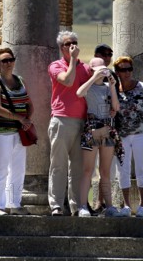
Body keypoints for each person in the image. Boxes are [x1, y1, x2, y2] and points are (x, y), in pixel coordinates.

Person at [47, 31, 91, 216]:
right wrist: (72, 61)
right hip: (61, 119)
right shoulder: (55, 66)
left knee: (78, 167)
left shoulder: (86, 68)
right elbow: (68, 80)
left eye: (75, 42)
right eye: (68, 44)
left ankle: (77, 206)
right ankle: (56, 204)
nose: (72, 46)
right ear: (61, 48)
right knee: (58, 165)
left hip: (82, 121)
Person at [0, 48, 34, 215]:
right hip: (1, 130)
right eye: (4, 61)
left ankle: (14, 202)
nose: (8, 63)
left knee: (18, 168)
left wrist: (27, 119)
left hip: (19, 131)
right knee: (1, 168)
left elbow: (29, 104)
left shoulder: (20, 81)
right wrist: (20, 118)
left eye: (11, 59)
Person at [76, 57, 123, 218]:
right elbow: (79, 93)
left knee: (105, 171)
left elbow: (116, 107)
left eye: (104, 70)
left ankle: (109, 206)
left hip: (107, 129)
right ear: (92, 70)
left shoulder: (107, 87)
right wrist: (93, 78)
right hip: (92, 128)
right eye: (99, 70)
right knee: (88, 170)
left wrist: (112, 87)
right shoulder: (89, 86)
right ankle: (83, 205)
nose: (103, 73)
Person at [113, 56, 143, 218]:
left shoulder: (142, 87)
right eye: (123, 69)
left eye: (129, 69)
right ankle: (127, 206)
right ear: (117, 72)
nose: (127, 72)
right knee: (123, 171)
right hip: (121, 135)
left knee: (142, 170)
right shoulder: (113, 89)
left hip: (141, 133)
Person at [92, 43, 119, 215]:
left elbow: (115, 98)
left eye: (110, 54)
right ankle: (88, 203)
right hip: (90, 125)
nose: (108, 57)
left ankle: (100, 202)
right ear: (96, 55)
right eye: (104, 54)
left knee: (105, 169)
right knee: (88, 168)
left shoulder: (112, 76)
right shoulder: (89, 74)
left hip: (108, 125)